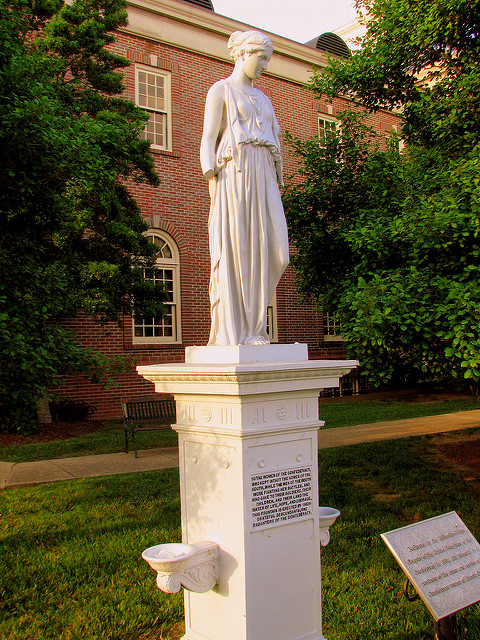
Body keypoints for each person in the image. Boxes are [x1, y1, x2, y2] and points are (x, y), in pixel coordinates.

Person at [200, 30, 289, 346]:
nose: (264, 65)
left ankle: (254, 325)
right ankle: (245, 330)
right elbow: (209, 136)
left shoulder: (264, 99)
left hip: (263, 174)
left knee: (279, 253)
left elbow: (274, 140)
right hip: (234, 173)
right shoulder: (221, 91)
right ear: (243, 54)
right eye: (261, 58)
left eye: (267, 59)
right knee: (240, 250)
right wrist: (209, 172)